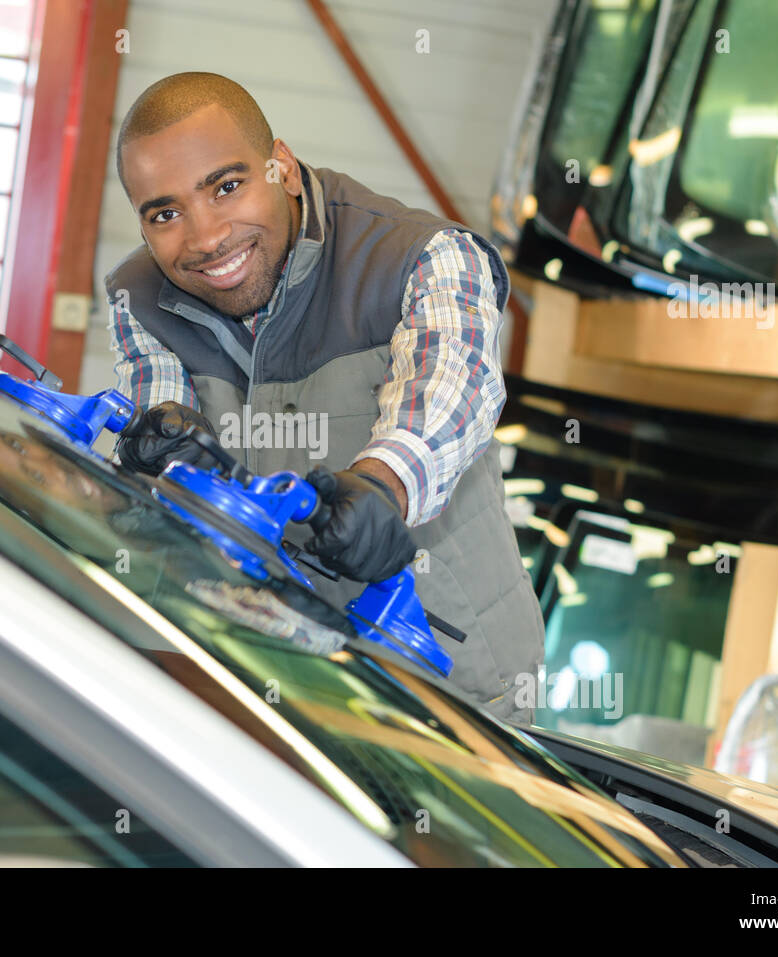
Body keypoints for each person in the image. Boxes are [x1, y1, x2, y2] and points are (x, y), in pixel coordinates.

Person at [105, 72, 542, 722]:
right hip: (271, 680)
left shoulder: (422, 256)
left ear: (279, 164)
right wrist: (149, 469)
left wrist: (384, 486)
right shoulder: (138, 298)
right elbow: (156, 449)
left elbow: (454, 389)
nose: (205, 238)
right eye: (165, 214)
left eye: (226, 187)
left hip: (451, 688)